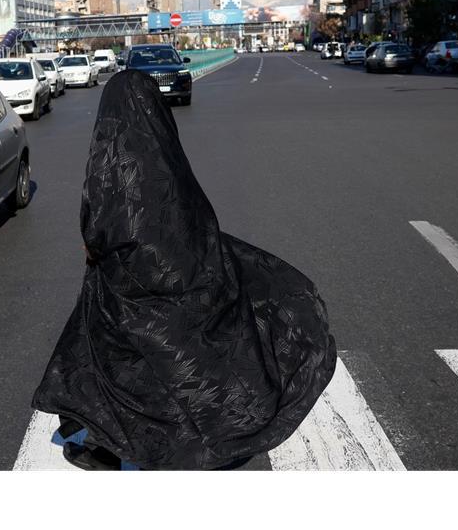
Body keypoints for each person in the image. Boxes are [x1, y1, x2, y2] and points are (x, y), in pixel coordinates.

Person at [31, 69, 337, 470]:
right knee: (182, 358)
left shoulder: (107, 160)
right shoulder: (165, 154)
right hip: (180, 273)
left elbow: (97, 225)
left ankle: (129, 442)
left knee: (127, 366)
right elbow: (193, 215)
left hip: (124, 287)